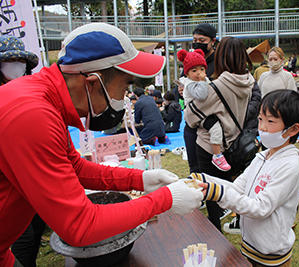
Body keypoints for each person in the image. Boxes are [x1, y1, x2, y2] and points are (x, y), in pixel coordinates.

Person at [0, 23, 204, 267]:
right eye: (124, 86)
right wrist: (164, 200)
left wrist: (142, 179)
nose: (124, 98)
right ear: (92, 82)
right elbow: (79, 225)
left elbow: (76, 168)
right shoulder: (33, 115)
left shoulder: (44, 99)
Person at [191, 89, 299, 267]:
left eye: (270, 121)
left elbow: (261, 208)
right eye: (260, 119)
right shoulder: (262, 156)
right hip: (250, 244)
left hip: (271, 254)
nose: (262, 127)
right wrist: (206, 180)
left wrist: (218, 194)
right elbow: (238, 188)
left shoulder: (290, 165)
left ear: (293, 129)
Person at [184, 36, 255, 231]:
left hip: (209, 146)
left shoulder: (217, 87)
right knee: (231, 188)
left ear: (221, 56)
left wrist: (206, 120)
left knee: (211, 192)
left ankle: (214, 229)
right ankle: (238, 222)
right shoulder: (249, 82)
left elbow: (190, 117)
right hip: (234, 143)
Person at [0, 36, 46, 267]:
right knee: (23, 239)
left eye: (20, 61)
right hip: (9, 186)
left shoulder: (28, 92)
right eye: (10, 61)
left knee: (36, 228)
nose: (16, 67)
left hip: (28, 185)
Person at [178, 48, 231, 171]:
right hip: (197, 115)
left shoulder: (202, 80)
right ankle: (217, 155)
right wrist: (203, 81)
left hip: (204, 112)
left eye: (202, 69)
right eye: (194, 70)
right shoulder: (190, 84)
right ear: (187, 73)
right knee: (215, 128)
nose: (199, 73)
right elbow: (202, 95)